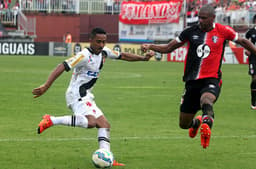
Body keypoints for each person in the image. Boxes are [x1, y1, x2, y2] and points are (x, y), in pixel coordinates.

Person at [32, 27, 154, 165]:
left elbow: (124, 56)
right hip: (76, 94)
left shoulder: (104, 52)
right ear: (90, 40)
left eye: (103, 42)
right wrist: (46, 86)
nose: (101, 45)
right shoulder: (83, 55)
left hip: (87, 95)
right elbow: (63, 65)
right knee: (91, 122)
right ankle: (51, 120)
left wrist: (143, 58)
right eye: (98, 42)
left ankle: (107, 156)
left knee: (104, 124)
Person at [141, 4, 256, 149]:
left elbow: (243, 41)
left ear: (212, 18)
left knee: (206, 99)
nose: (200, 20)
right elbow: (168, 48)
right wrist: (150, 46)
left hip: (212, 79)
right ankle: (197, 123)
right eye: (199, 17)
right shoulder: (189, 32)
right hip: (191, 82)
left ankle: (206, 126)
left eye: (203, 18)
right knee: (184, 124)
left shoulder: (223, 31)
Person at [245, 24, 256, 109]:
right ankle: (253, 101)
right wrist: (247, 49)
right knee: (254, 79)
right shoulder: (251, 32)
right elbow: (246, 41)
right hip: (253, 57)